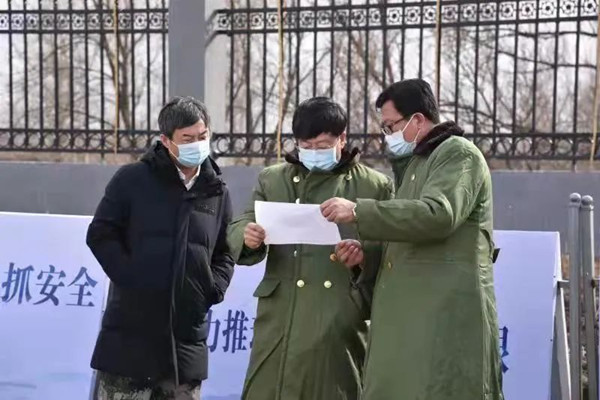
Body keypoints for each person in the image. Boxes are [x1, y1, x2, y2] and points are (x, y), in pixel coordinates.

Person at [321, 79, 504, 399]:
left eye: (391, 126)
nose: (387, 135)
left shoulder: (458, 153)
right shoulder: (418, 163)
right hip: (412, 314)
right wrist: (366, 255)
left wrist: (359, 211)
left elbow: (438, 214)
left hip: (441, 313)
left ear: (418, 119)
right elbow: (407, 230)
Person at [227, 97, 394, 400]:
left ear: (342, 139)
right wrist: (246, 235)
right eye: (307, 145)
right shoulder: (273, 179)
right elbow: (243, 221)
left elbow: (391, 252)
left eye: (323, 145)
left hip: (339, 314)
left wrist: (362, 258)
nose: (314, 153)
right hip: (281, 313)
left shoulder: (375, 185)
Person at [87, 96, 234, 400]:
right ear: (166, 140)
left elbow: (225, 250)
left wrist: (211, 289)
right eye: (188, 139)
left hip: (186, 345)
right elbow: (100, 233)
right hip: (130, 338)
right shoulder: (133, 180)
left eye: (203, 136)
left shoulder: (216, 190)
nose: (198, 144)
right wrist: (130, 277)